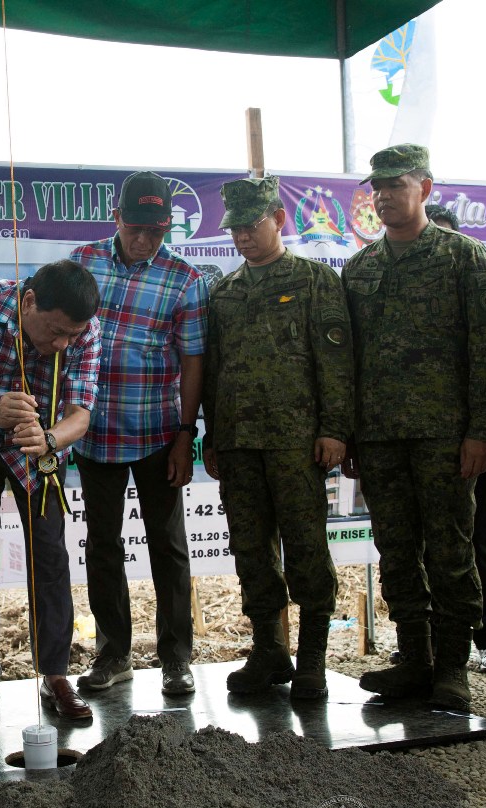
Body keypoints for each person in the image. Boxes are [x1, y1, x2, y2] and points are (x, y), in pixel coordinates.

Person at [341, 147, 486, 714]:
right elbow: (351, 362)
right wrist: (352, 435)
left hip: (445, 436)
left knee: (451, 550)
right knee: (395, 550)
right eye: (378, 187)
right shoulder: (361, 268)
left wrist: (484, 431)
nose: (385, 195)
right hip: (380, 436)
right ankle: (414, 657)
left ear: (426, 188)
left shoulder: (465, 258)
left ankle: (453, 667)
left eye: (397, 184)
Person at [201, 175, 352, 701]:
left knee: (307, 546)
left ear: (278, 219)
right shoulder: (223, 292)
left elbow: (335, 364)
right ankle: (268, 650)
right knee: (250, 549)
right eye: (235, 227)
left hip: (296, 440)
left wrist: (335, 429)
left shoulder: (314, 281)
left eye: (252, 225)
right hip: (239, 442)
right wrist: (212, 435)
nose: (242, 236)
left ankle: (312, 658)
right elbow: (214, 369)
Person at [0, 260, 101, 726]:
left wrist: (49, 439)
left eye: (72, 335)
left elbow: (80, 414)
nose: (61, 345)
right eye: (54, 333)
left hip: (37, 445)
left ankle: (55, 675)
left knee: (50, 557)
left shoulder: (82, 327)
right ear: (29, 303)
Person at [68, 171, 208, 696]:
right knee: (102, 544)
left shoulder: (184, 279)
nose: (145, 240)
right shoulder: (82, 262)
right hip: (93, 431)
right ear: (116, 217)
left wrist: (184, 433)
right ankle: (113, 654)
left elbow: (193, 361)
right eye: (136, 228)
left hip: (156, 432)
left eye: (156, 230)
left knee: (167, 545)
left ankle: (176, 658)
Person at [424, 202, 486, 676]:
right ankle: (432, 642)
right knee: (426, 549)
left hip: (476, 442)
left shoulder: (474, 271)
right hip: (426, 444)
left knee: (481, 544)